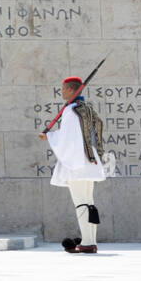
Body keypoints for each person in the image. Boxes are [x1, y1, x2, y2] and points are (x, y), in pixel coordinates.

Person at [40, 76, 109, 253]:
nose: (61, 92)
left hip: (76, 162)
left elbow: (67, 139)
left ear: (71, 90)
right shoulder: (87, 109)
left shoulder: (71, 110)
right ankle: (91, 241)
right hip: (90, 161)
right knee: (89, 202)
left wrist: (48, 136)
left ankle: (86, 243)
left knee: (81, 203)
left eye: (63, 89)